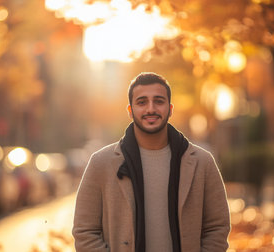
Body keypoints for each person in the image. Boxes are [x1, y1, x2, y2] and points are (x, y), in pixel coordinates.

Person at [72, 72, 230, 252]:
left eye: (159, 101)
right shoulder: (101, 163)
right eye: (142, 102)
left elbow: (217, 227)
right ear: (130, 111)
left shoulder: (203, 162)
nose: (151, 109)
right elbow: (85, 231)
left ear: (170, 109)